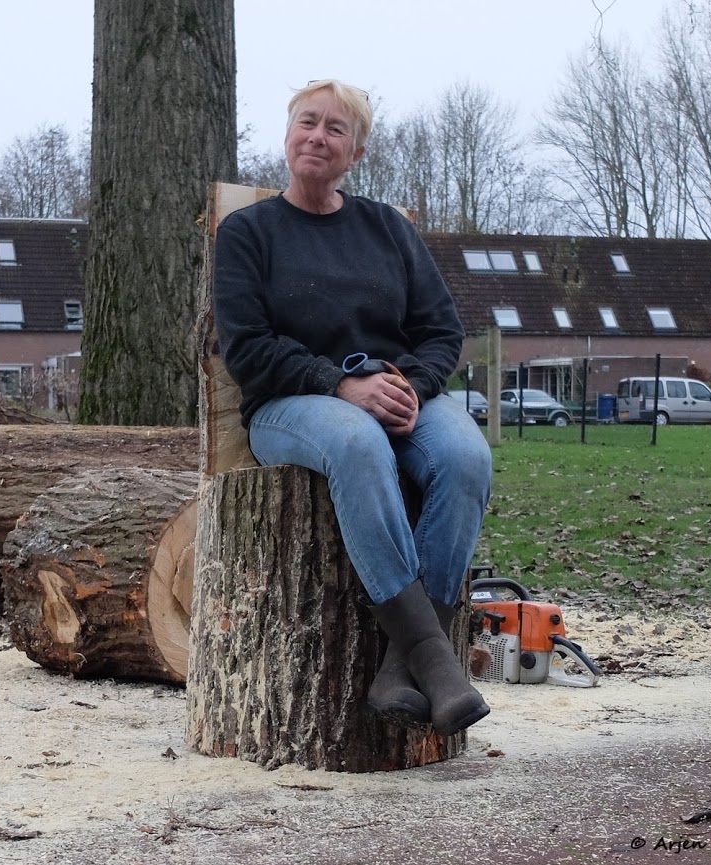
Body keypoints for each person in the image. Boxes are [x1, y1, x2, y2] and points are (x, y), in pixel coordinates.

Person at [212, 79, 491, 737]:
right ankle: (435, 657)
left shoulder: (387, 228)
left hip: (393, 392)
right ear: (288, 134)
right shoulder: (247, 233)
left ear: (356, 152)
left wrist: (409, 386)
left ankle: (402, 665)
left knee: (465, 456)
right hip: (291, 404)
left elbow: (441, 330)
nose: (318, 136)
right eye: (307, 122)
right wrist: (340, 385)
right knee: (357, 441)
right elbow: (247, 348)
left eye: (335, 128)